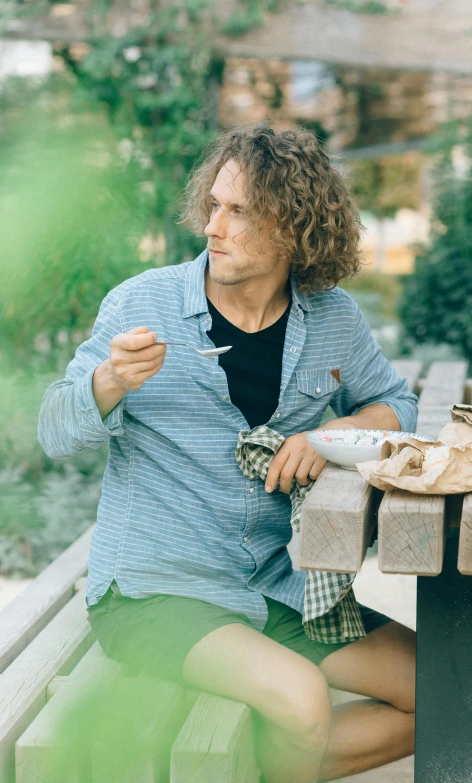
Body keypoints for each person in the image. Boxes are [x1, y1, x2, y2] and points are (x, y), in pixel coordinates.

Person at [38, 124, 418, 783]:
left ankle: (258, 767)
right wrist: (109, 382)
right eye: (214, 204)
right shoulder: (142, 302)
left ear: (294, 228)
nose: (213, 226)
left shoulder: (332, 319)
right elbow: (54, 431)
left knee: (446, 686)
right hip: (156, 591)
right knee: (301, 698)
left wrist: (328, 437)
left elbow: (396, 405)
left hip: (271, 583)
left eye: (239, 211)